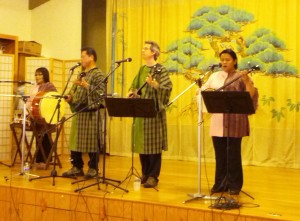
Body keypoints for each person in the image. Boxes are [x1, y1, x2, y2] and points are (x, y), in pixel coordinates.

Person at [201, 49, 258, 195]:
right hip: (218, 120)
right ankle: (220, 183)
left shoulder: (240, 76)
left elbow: (251, 95)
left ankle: (234, 185)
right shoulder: (214, 76)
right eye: (222, 59)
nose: (224, 62)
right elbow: (204, 91)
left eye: (227, 59)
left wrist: (246, 81)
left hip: (235, 121)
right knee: (219, 154)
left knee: (233, 154)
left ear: (235, 61)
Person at [128, 41, 172, 188]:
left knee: (153, 147)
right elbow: (134, 85)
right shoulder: (142, 70)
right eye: (143, 48)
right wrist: (131, 92)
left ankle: (153, 176)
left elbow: (167, 88)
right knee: (142, 144)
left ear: (154, 52)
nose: (143, 50)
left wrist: (155, 85)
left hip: (153, 113)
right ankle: (145, 173)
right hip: (141, 112)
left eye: (146, 48)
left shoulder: (161, 70)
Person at [62, 47, 105, 178]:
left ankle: (93, 168)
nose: (81, 59)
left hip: (91, 112)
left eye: (83, 56)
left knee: (92, 140)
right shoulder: (81, 73)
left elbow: (101, 93)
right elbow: (73, 90)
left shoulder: (98, 74)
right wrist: (70, 97)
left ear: (91, 57)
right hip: (79, 111)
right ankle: (76, 167)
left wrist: (87, 86)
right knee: (75, 140)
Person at [26, 67, 57, 169]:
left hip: (46, 116)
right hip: (35, 116)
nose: (37, 77)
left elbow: (54, 99)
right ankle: (39, 160)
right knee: (38, 138)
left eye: (40, 74)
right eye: (36, 75)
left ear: (45, 75)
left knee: (45, 138)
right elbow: (30, 100)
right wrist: (28, 110)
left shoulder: (49, 86)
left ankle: (46, 160)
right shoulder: (35, 87)